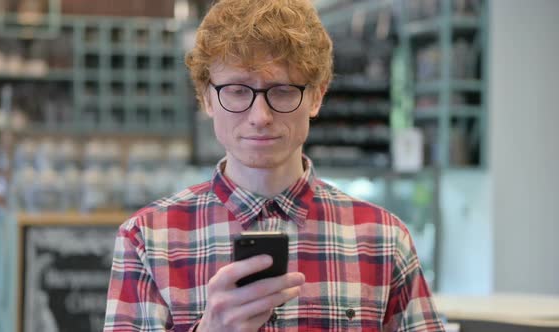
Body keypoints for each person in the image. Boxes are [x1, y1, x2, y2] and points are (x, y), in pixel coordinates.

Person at [104, 0, 444, 331]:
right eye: (237, 91)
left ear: (316, 96)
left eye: (281, 91)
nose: (260, 117)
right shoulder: (147, 240)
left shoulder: (383, 240)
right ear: (207, 98)